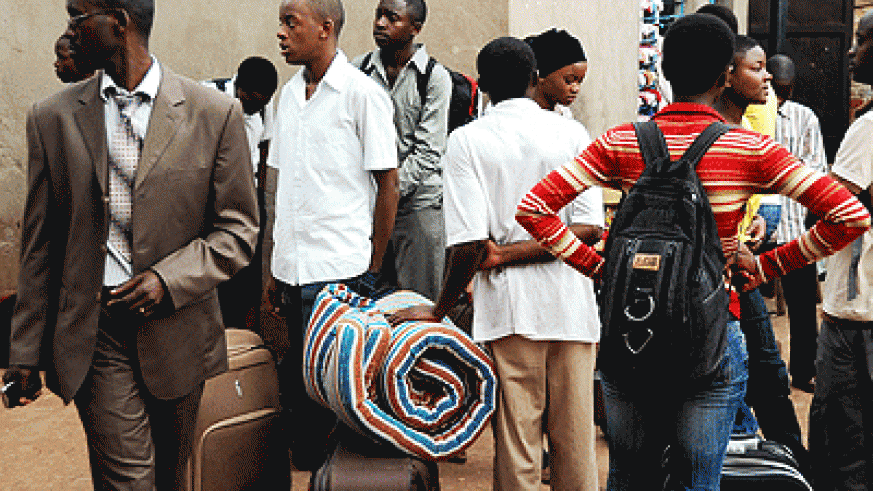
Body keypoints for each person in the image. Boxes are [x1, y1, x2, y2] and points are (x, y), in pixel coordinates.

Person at [516, 13, 870, 490]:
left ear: (663, 69)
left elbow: (535, 209)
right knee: (697, 480)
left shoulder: (621, 141)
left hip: (630, 331)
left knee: (629, 476)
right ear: (726, 75)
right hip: (712, 333)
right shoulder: (748, 148)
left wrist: (600, 270)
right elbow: (849, 216)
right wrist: (768, 266)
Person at [2, 0, 259, 489]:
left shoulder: (213, 114)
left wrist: (168, 279)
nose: (70, 31)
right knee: (127, 482)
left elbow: (239, 229)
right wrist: (26, 349)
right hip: (95, 333)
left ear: (119, 22)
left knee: (170, 477)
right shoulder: (52, 118)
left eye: (79, 17)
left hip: (179, 330)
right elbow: (40, 243)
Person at [389, 36, 603, 491]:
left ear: (482, 85)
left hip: (511, 312)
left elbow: (467, 245)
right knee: (576, 445)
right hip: (571, 306)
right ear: (533, 78)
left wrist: (439, 307)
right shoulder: (572, 134)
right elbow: (588, 229)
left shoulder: (468, 141)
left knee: (518, 444)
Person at [270, 0, 399, 472]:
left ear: (325, 29)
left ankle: (341, 475)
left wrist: (373, 266)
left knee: (338, 387)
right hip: (294, 267)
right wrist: (276, 262)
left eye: (291, 23)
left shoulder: (361, 94)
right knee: (303, 384)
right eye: (280, 23)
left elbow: (389, 183)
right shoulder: (287, 96)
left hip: (341, 271)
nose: (281, 33)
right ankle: (315, 470)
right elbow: (282, 186)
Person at [713, 36, 809, 467]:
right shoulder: (714, 135)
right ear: (726, 74)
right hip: (719, 274)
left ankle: (789, 458)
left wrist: (756, 233)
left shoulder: (750, 127)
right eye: (756, 67)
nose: (767, 76)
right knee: (748, 369)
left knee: (766, 367)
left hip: (740, 264)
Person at [808, 10, 873, 490]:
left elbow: (832, 213)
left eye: (861, 40)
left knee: (845, 453)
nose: (852, 51)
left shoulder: (868, 129)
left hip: (858, 319)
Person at [352, 0, 450, 302]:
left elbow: (429, 152)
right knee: (364, 302)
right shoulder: (357, 72)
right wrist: (374, 196)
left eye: (392, 18)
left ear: (415, 28)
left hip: (417, 205)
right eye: (378, 15)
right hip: (364, 206)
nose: (380, 23)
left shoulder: (434, 77)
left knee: (418, 303)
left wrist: (388, 191)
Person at [765, 53, 828, 394]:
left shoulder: (804, 118)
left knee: (803, 307)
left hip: (792, 227)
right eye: (776, 87)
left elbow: (816, 169)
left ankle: (805, 371)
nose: (780, 96)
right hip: (757, 228)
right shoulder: (747, 115)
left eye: (786, 90)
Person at [202, 56, 279, 331]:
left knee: (247, 274)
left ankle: (245, 337)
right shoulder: (209, 97)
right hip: (213, 200)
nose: (258, 107)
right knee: (216, 268)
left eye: (264, 102)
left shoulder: (264, 106)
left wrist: (258, 197)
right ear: (240, 89)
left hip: (249, 197)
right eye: (253, 101)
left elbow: (265, 146)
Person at [524, 27, 587, 117]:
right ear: (541, 75)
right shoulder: (524, 116)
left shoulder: (565, 114)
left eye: (580, 82)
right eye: (569, 81)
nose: (575, 89)